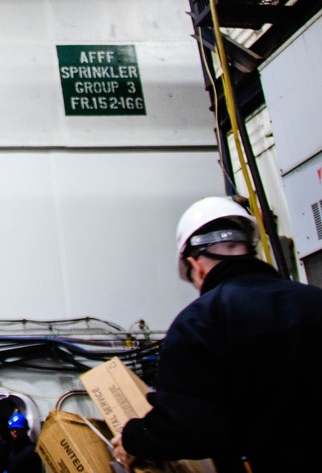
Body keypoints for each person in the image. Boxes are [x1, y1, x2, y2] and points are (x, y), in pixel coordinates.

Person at [111, 195, 322, 473]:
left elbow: (186, 427)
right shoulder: (314, 301)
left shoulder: (200, 322)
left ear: (195, 266)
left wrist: (134, 439)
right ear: (251, 251)